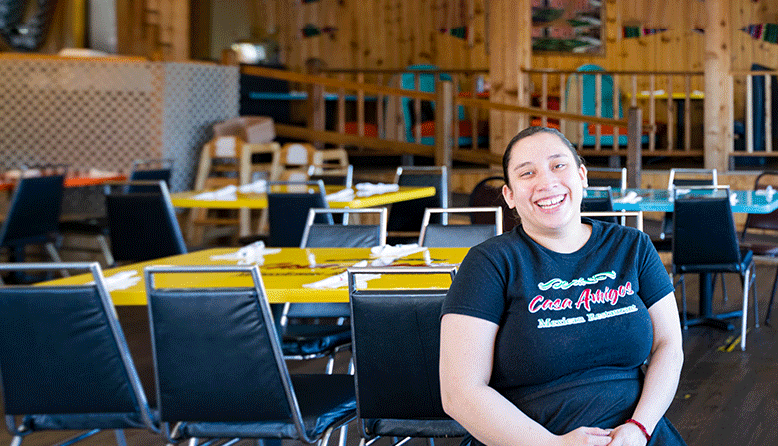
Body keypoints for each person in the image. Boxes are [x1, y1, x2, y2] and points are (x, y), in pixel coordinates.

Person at [440, 126, 685, 446]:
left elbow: (669, 346)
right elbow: (459, 392)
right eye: (527, 173)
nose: (546, 182)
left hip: (636, 433)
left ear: (582, 175)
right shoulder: (489, 263)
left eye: (559, 165)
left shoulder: (632, 246)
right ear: (510, 195)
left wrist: (640, 427)